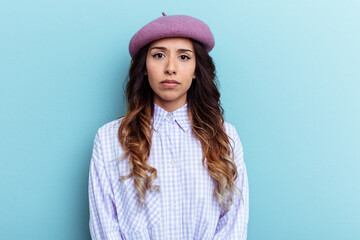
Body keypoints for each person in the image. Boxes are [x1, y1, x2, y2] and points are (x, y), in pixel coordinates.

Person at [88, 12, 249, 240]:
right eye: (159, 55)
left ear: (196, 70)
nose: (170, 68)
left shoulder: (225, 136)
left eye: (184, 57)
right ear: (144, 67)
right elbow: (104, 224)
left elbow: (234, 224)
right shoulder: (109, 138)